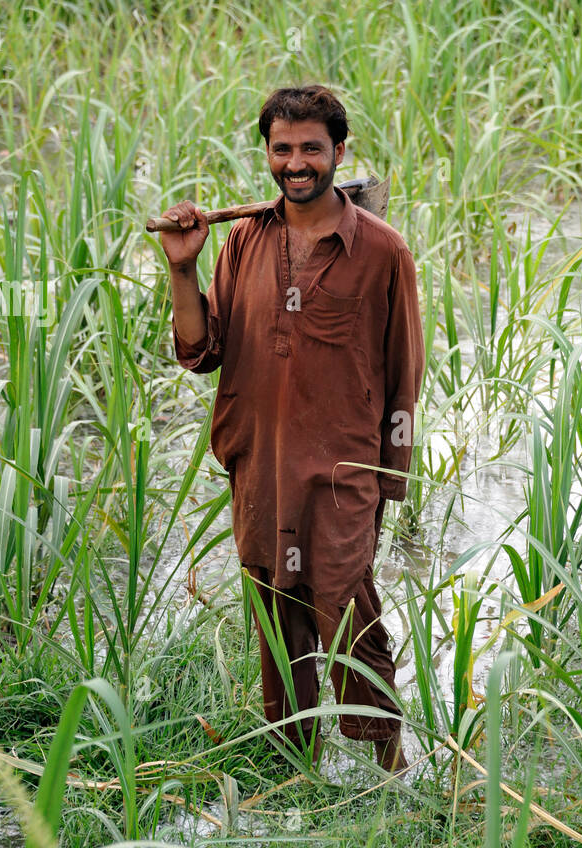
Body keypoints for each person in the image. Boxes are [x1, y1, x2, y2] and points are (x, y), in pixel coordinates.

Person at [159, 85, 424, 773]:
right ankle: (296, 768)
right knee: (277, 618)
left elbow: (403, 370)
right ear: (268, 155)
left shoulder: (381, 252)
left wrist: (387, 480)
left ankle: (388, 766)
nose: (296, 163)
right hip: (260, 467)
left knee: (346, 609)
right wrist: (183, 268)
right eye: (283, 149)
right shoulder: (243, 241)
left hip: (341, 475)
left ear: (339, 152)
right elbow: (199, 352)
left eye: (312, 148)